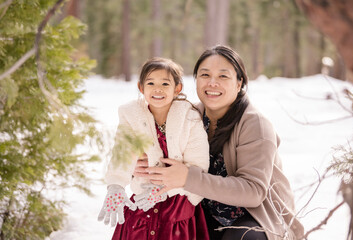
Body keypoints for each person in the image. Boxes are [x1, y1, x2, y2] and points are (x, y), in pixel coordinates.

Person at [134, 45, 305, 240]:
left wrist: (188, 178)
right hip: (204, 212)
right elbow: (163, 154)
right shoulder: (186, 117)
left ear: (239, 83)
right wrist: (142, 166)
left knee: (241, 238)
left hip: (254, 218)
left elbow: (253, 192)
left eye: (223, 76)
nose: (212, 83)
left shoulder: (255, 124)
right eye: (205, 75)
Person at [97, 57, 210, 240]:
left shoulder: (190, 119)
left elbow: (199, 165)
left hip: (177, 205)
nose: (157, 89)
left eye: (165, 83)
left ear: (177, 88)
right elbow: (123, 152)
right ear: (141, 88)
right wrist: (116, 185)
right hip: (143, 200)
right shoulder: (131, 116)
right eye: (151, 83)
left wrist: (163, 190)